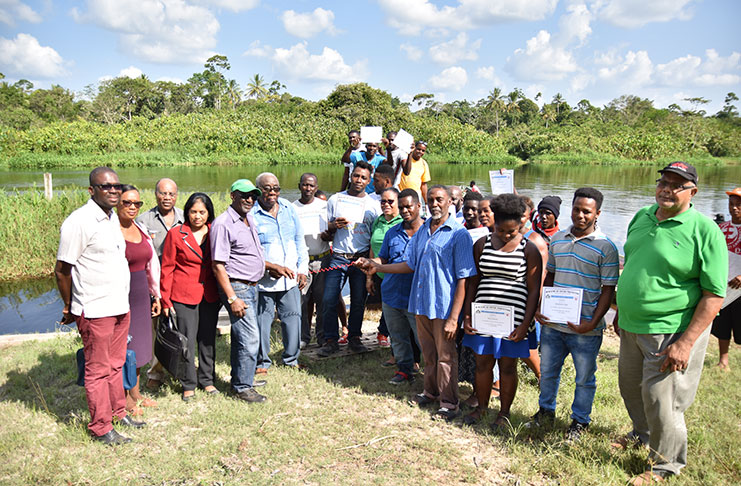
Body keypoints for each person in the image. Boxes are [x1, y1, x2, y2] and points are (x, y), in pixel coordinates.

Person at [613, 162, 727, 484]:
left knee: (663, 399)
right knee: (631, 388)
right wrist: (623, 307)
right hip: (632, 326)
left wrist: (686, 342)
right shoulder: (643, 216)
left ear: (693, 191)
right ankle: (642, 433)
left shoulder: (704, 231)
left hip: (670, 329)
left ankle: (665, 465)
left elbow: (714, 294)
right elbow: (635, 262)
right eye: (664, 181)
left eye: (677, 185)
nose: (667, 188)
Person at [356, 185, 476, 421]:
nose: (435, 204)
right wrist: (378, 266)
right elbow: (409, 264)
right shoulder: (423, 232)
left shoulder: (458, 233)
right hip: (420, 304)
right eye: (430, 199)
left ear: (449, 202)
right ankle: (430, 393)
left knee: (446, 357)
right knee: (429, 355)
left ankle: (449, 403)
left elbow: (464, 278)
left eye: (439, 199)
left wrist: (455, 317)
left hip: (443, 308)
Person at [55, 167, 145, 445]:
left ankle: (119, 412)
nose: (114, 191)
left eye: (116, 186)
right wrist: (70, 306)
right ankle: (100, 427)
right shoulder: (79, 221)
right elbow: (62, 270)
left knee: (116, 364)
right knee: (97, 369)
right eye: (106, 187)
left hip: (120, 306)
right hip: (94, 309)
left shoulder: (110, 219)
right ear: (91, 190)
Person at [530, 188, 619, 441]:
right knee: (548, 371)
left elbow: (607, 289)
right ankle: (545, 411)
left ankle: (579, 422)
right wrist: (541, 307)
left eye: (586, 211)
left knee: (584, 379)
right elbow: (552, 276)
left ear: (597, 214)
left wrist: (592, 322)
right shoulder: (558, 239)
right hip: (554, 325)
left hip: (585, 328)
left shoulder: (606, 247)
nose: (580, 215)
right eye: (576, 209)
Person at [460, 194, 542, 428]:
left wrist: (525, 326)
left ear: (520, 226)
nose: (507, 236)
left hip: (513, 320)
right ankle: (483, 407)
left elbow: (534, 290)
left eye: (513, 232)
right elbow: (473, 283)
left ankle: (504, 413)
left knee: (508, 366)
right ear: (495, 222)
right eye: (502, 231)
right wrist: (468, 314)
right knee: (482, 363)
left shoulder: (530, 249)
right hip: (483, 317)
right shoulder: (481, 244)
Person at [210, 179, 270, 404]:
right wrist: (232, 297)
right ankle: (243, 387)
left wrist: (269, 267)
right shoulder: (223, 223)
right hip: (238, 288)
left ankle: (241, 378)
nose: (250, 199)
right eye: (244, 195)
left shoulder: (249, 219)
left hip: (253, 286)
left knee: (242, 337)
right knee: (250, 338)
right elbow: (218, 265)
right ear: (232, 195)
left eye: (253, 196)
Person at [160, 193, 222, 401]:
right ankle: (188, 383)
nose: (197, 216)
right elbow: (167, 268)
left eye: (202, 212)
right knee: (186, 341)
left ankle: (207, 380)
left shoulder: (215, 231)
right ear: (186, 212)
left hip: (210, 294)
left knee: (207, 339)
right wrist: (165, 299)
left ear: (209, 213)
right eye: (193, 212)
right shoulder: (177, 234)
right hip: (184, 294)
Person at [317, 161, 381, 356]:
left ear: (369, 181)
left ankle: (354, 337)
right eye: (356, 176)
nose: (358, 180)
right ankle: (330, 339)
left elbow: (374, 236)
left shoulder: (373, 205)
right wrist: (333, 226)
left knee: (359, 300)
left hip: (361, 259)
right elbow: (324, 232)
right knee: (329, 299)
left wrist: (371, 262)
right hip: (338, 257)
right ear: (351, 175)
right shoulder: (335, 199)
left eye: (363, 178)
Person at [252, 173, 309, 372]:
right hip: (263, 281)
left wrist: (303, 269)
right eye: (267, 189)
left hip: (290, 280)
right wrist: (268, 267)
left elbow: (299, 241)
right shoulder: (251, 214)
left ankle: (291, 360)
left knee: (293, 319)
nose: (272, 193)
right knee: (262, 322)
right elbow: (249, 251)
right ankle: (261, 362)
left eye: (276, 188)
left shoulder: (288, 208)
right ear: (258, 190)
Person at [116, 185, 161, 416]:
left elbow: (150, 265)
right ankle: (124, 400)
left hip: (141, 293)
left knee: (141, 347)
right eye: (127, 202)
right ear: (116, 203)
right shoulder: (111, 230)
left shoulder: (140, 227)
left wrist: (155, 295)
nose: (132, 207)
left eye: (137, 203)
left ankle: (136, 394)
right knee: (124, 348)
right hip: (119, 295)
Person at [136, 178, 184, 390]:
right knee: (156, 328)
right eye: (163, 193)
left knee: (183, 326)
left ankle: (183, 369)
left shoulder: (185, 216)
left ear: (176, 195)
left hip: (180, 280)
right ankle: (156, 372)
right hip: (154, 283)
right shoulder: (144, 220)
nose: (167, 198)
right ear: (155, 194)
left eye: (171, 194)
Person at [374, 188, 425, 384]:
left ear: (419, 206)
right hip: (392, 294)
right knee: (398, 337)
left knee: (423, 340)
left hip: (418, 297)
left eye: (408, 206)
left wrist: (379, 266)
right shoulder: (392, 233)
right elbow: (383, 258)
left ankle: (432, 374)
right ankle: (404, 370)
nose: (404, 211)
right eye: (401, 207)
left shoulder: (429, 232)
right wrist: (372, 263)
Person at [293, 173, 331, 348]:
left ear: (316, 188)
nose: (308, 189)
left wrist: (328, 234)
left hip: (323, 259)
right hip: (302, 263)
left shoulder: (324, 206)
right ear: (299, 186)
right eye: (305, 185)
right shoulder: (292, 208)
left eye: (311, 186)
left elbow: (332, 230)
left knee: (323, 301)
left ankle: (323, 336)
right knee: (302, 300)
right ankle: (303, 337)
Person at [368, 187, 403, 348]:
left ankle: (385, 333)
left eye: (390, 201)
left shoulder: (403, 222)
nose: (386, 204)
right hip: (377, 270)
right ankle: (382, 332)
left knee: (392, 305)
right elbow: (371, 247)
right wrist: (369, 275)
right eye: (383, 201)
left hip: (396, 272)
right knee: (383, 303)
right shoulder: (378, 220)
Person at [711, 187, 741, 370]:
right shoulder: (721, 228)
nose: (735, 208)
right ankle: (723, 360)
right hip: (724, 284)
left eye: (739, 204)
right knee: (723, 324)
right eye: (732, 204)